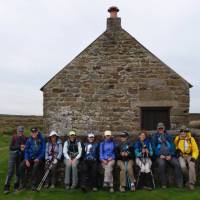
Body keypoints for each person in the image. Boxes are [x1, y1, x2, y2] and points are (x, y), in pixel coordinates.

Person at [152, 122, 183, 189]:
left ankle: (179, 183)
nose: (160, 129)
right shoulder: (154, 136)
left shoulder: (168, 135)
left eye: (161, 128)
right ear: (157, 129)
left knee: (177, 164)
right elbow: (153, 147)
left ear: (164, 128)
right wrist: (159, 155)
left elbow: (173, 146)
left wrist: (171, 155)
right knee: (161, 164)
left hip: (169, 155)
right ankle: (164, 184)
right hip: (160, 156)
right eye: (159, 128)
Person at [3, 126, 27, 194]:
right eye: (19, 131)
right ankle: (6, 187)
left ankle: (16, 187)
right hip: (12, 155)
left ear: (23, 132)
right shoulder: (14, 137)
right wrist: (19, 147)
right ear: (17, 131)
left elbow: (27, 144)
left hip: (20, 156)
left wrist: (24, 148)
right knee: (10, 171)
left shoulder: (25, 138)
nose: (20, 132)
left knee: (18, 172)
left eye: (22, 131)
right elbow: (11, 147)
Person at [174, 125, 199, 190]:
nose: (183, 133)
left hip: (190, 155)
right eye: (181, 131)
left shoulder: (191, 139)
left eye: (184, 131)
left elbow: (195, 150)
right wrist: (178, 150)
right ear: (180, 132)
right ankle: (188, 180)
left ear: (187, 132)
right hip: (181, 155)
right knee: (182, 166)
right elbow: (175, 145)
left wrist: (194, 157)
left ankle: (191, 183)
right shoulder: (178, 138)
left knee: (192, 165)